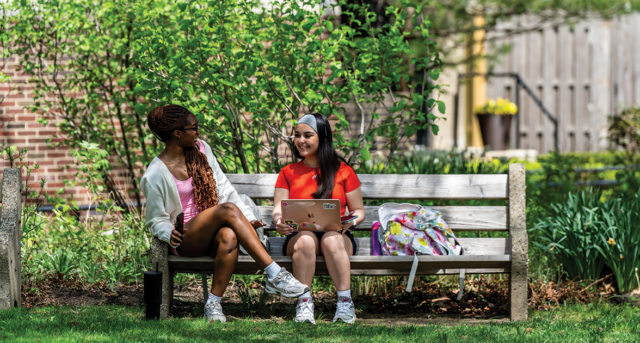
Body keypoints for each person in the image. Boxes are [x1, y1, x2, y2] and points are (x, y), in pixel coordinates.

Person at [140, 104, 308, 323]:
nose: (198, 132)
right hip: (186, 238)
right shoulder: (155, 174)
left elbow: (225, 188)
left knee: (228, 236)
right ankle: (274, 273)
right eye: (193, 128)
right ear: (177, 133)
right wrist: (166, 232)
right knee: (227, 210)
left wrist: (247, 218)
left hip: (213, 228)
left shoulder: (201, 150)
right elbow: (155, 219)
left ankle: (213, 304)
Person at [272, 113, 365, 324]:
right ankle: (304, 303)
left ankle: (344, 304)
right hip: (299, 237)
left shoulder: (343, 171)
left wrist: (351, 221)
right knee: (305, 239)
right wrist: (279, 222)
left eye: (307, 135)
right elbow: (278, 208)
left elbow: (359, 209)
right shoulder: (288, 172)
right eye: (297, 135)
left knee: (331, 239)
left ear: (322, 138)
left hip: (338, 236)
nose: (300, 141)